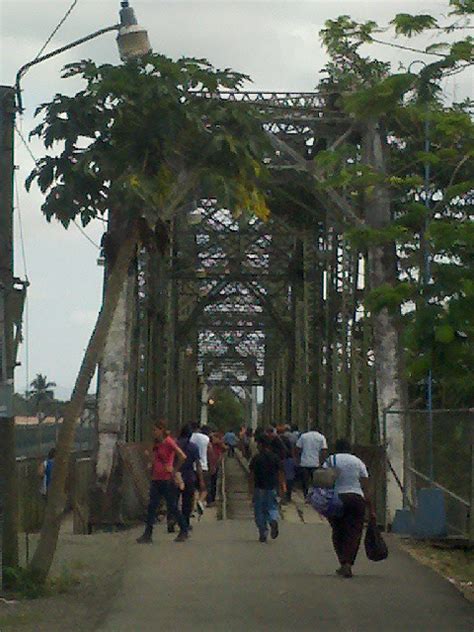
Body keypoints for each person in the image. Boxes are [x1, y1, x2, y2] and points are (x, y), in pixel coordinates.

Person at [324, 438, 372, 578]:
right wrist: (369, 505)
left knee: (338, 530)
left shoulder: (330, 460)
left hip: (336, 499)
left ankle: (342, 561)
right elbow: (365, 483)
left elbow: (324, 481)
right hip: (356, 498)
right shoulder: (358, 461)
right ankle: (348, 563)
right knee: (354, 532)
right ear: (350, 448)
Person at [137, 422, 189, 544]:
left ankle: (184, 529)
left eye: (155, 430)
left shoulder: (168, 442)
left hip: (166, 478)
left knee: (172, 506)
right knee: (152, 506)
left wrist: (174, 469)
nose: (153, 432)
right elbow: (154, 459)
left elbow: (182, 456)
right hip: (156, 477)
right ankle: (148, 533)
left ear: (161, 430)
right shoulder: (157, 444)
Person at [249, 435, 282, 543]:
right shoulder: (275, 457)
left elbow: (252, 475)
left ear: (261, 445)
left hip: (259, 488)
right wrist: (282, 487)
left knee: (259, 511)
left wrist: (251, 490)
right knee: (272, 507)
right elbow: (280, 473)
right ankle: (273, 520)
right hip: (272, 487)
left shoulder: (256, 458)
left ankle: (263, 532)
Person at [177, 425, 205, 533]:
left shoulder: (175, 444)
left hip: (176, 475)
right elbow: (198, 464)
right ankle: (185, 523)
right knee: (187, 502)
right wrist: (201, 479)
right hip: (189, 475)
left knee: (174, 500)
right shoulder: (193, 447)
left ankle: (171, 520)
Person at [296, 424, 328, 497]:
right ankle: (314, 495)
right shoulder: (321, 437)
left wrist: (297, 460)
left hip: (304, 462)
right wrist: (322, 462)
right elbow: (324, 450)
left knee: (305, 481)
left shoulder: (304, 436)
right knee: (315, 481)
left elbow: (297, 448)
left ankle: (305, 495)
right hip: (316, 463)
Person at [190, 423, 211, 506]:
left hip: (192, 467)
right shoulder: (206, 438)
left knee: (193, 489)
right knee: (204, 489)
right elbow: (210, 450)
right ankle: (200, 501)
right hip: (203, 466)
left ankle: (193, 506)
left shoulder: (190, 437)